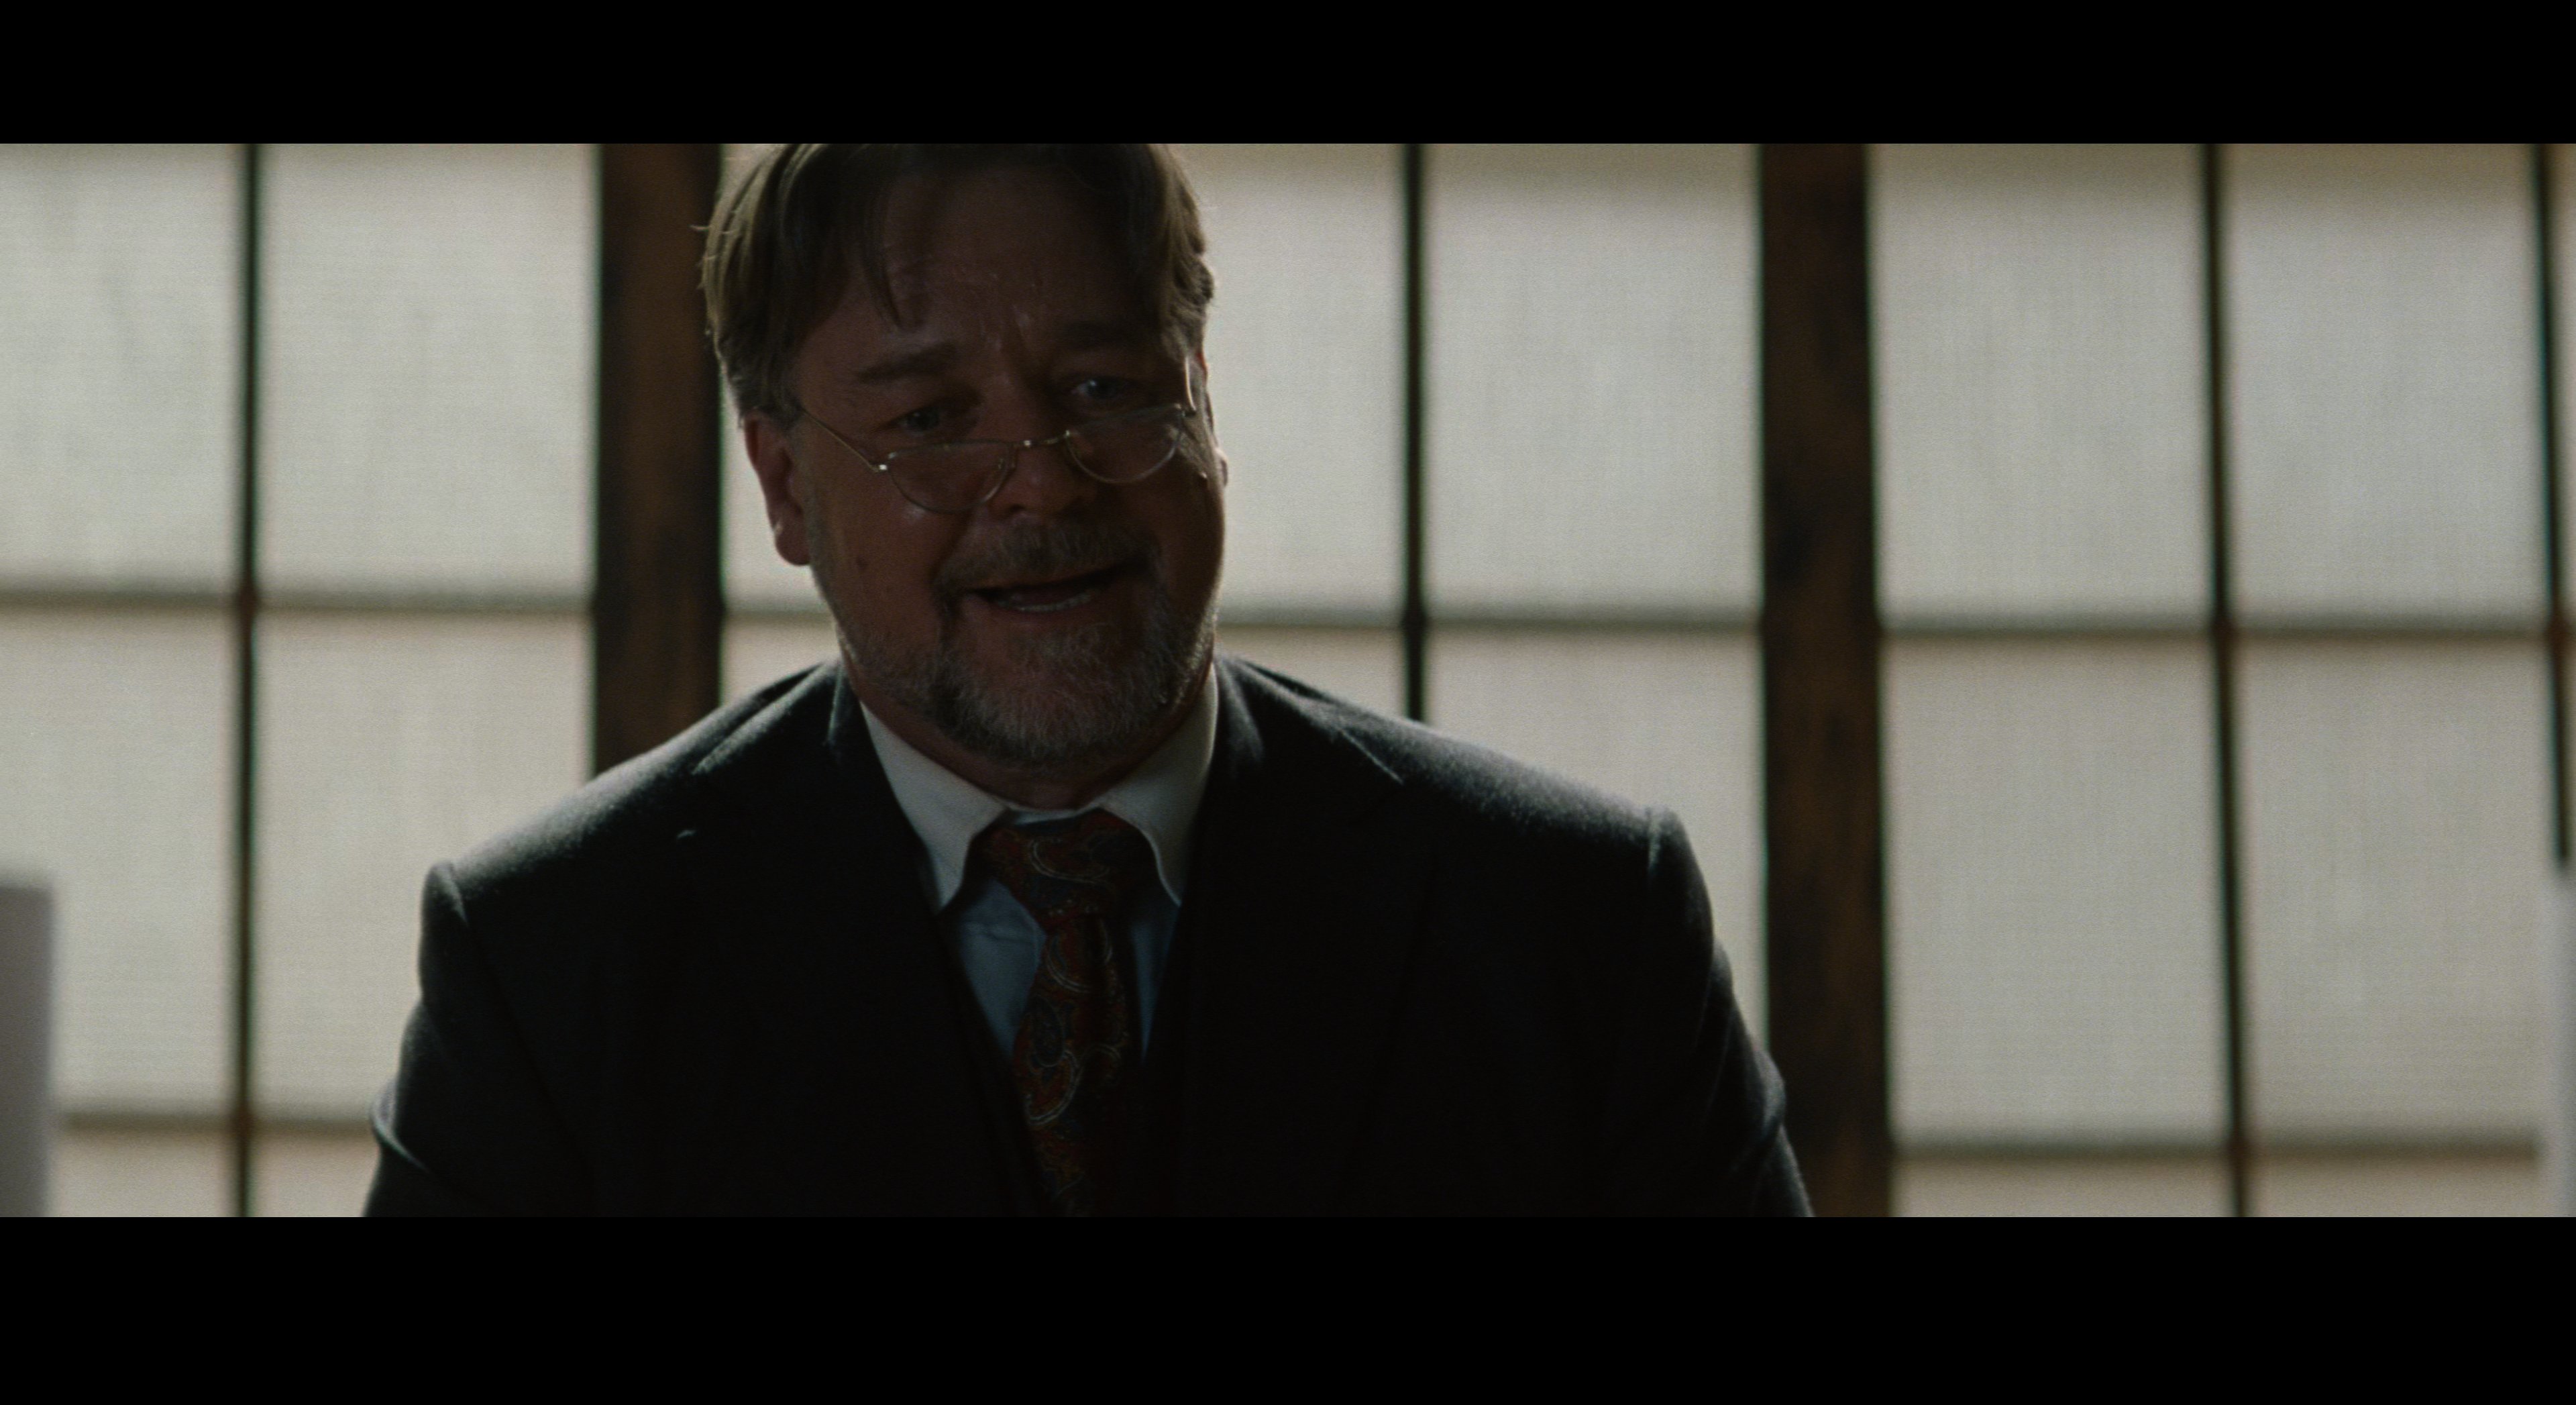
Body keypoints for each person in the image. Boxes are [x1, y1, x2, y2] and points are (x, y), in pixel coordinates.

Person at [364, 144, 1807, 1216]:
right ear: (784, 483)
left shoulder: (1576, 926)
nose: (1044, 484)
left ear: (1203, 396)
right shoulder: (555, 967)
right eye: (933, 417)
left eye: (1106, 388)